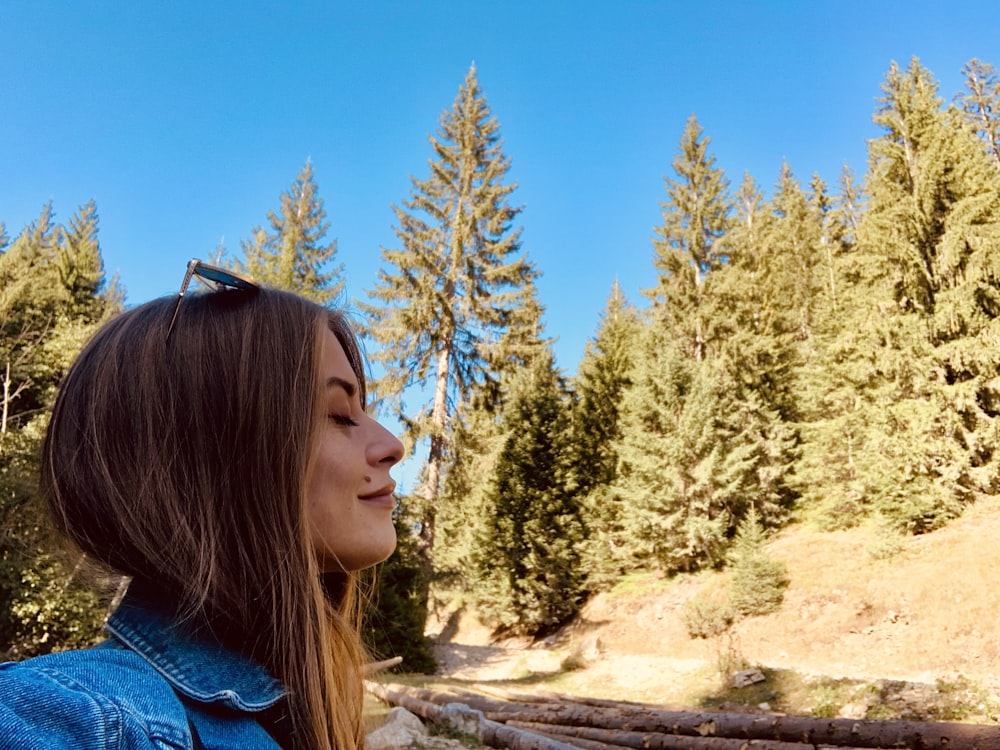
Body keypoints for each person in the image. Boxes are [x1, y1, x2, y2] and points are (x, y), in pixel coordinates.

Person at [0, 259, 405, 749]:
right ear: (211, 456)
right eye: (340, 415)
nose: (392, 445)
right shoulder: (86, 717)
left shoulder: (298, 710)